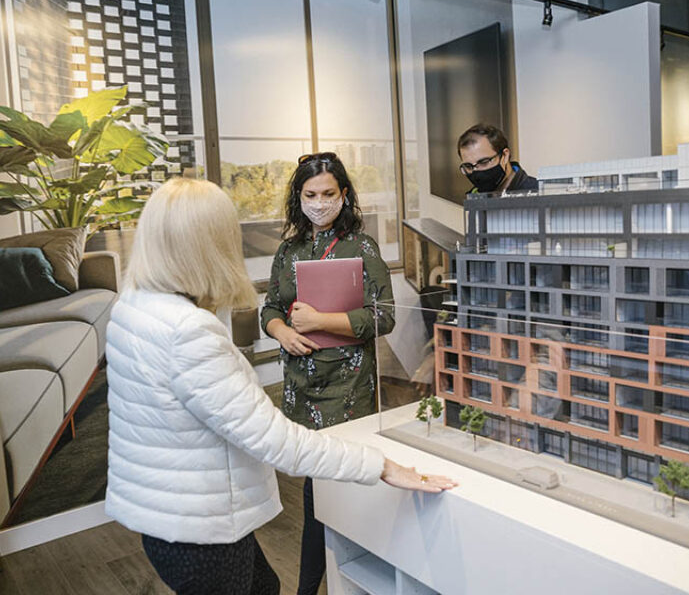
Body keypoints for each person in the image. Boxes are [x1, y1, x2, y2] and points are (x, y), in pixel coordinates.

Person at [105, 178, 455, 595]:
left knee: (265, 585)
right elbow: (275, 441)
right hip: (201, 527)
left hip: (164, 514)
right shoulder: (188, 331)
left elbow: (381, 317)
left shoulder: (132, 305)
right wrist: (381, 466)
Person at [261, 152, 394, 595]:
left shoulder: (362, 246)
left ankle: (317, 584)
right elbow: (271, 308)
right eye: (310, 195)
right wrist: (281, 331)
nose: (319, 202)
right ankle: (330, 579)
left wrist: (321, 321)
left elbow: (384, 317)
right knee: (318, 488)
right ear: (299, 198)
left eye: (328, 194)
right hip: (300, 388)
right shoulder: (288, 249)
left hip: (347, 388)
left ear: (344, 195)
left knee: (333, 490)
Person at [458, 123, 538, 195]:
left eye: (484, 162)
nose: (477, 172)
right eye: (468, 166)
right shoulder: (472, 198)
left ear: (505, 155)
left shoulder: (538, 193)